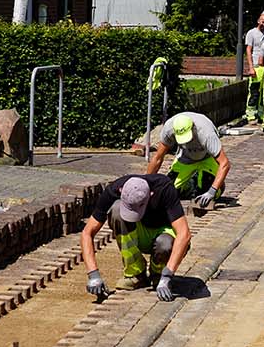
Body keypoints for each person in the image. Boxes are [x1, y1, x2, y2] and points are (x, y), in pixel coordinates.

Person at [82, 174, 191, 303]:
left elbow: (184, 234)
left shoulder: (164, 188)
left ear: (150, 195)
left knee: (164, 243)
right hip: (140, 233)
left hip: (163, 232)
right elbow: (87, 233)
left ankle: (158, 274)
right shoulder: (113, 190)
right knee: (116, 210)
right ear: (121, 191)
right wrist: (93, 275)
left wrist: (167, 275)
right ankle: (136, 274)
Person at [146, 110, 231, 215]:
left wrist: (212, 191)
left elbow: (225, 163)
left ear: (193, 128)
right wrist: (146, 184)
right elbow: (158, 158)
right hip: (185, 157)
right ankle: (191, 185)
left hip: (207, 158)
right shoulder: (168, 129)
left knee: (203, 193)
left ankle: (216, 186)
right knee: (168, 191)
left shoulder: (206, 133)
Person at [244, 10, 264, 124]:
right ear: (258, 21)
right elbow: (248, 50)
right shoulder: (251, 33)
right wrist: (251, 67)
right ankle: (251, 114)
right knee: (254, 91)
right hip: (257, 66)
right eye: (263, 22)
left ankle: (262, 114)